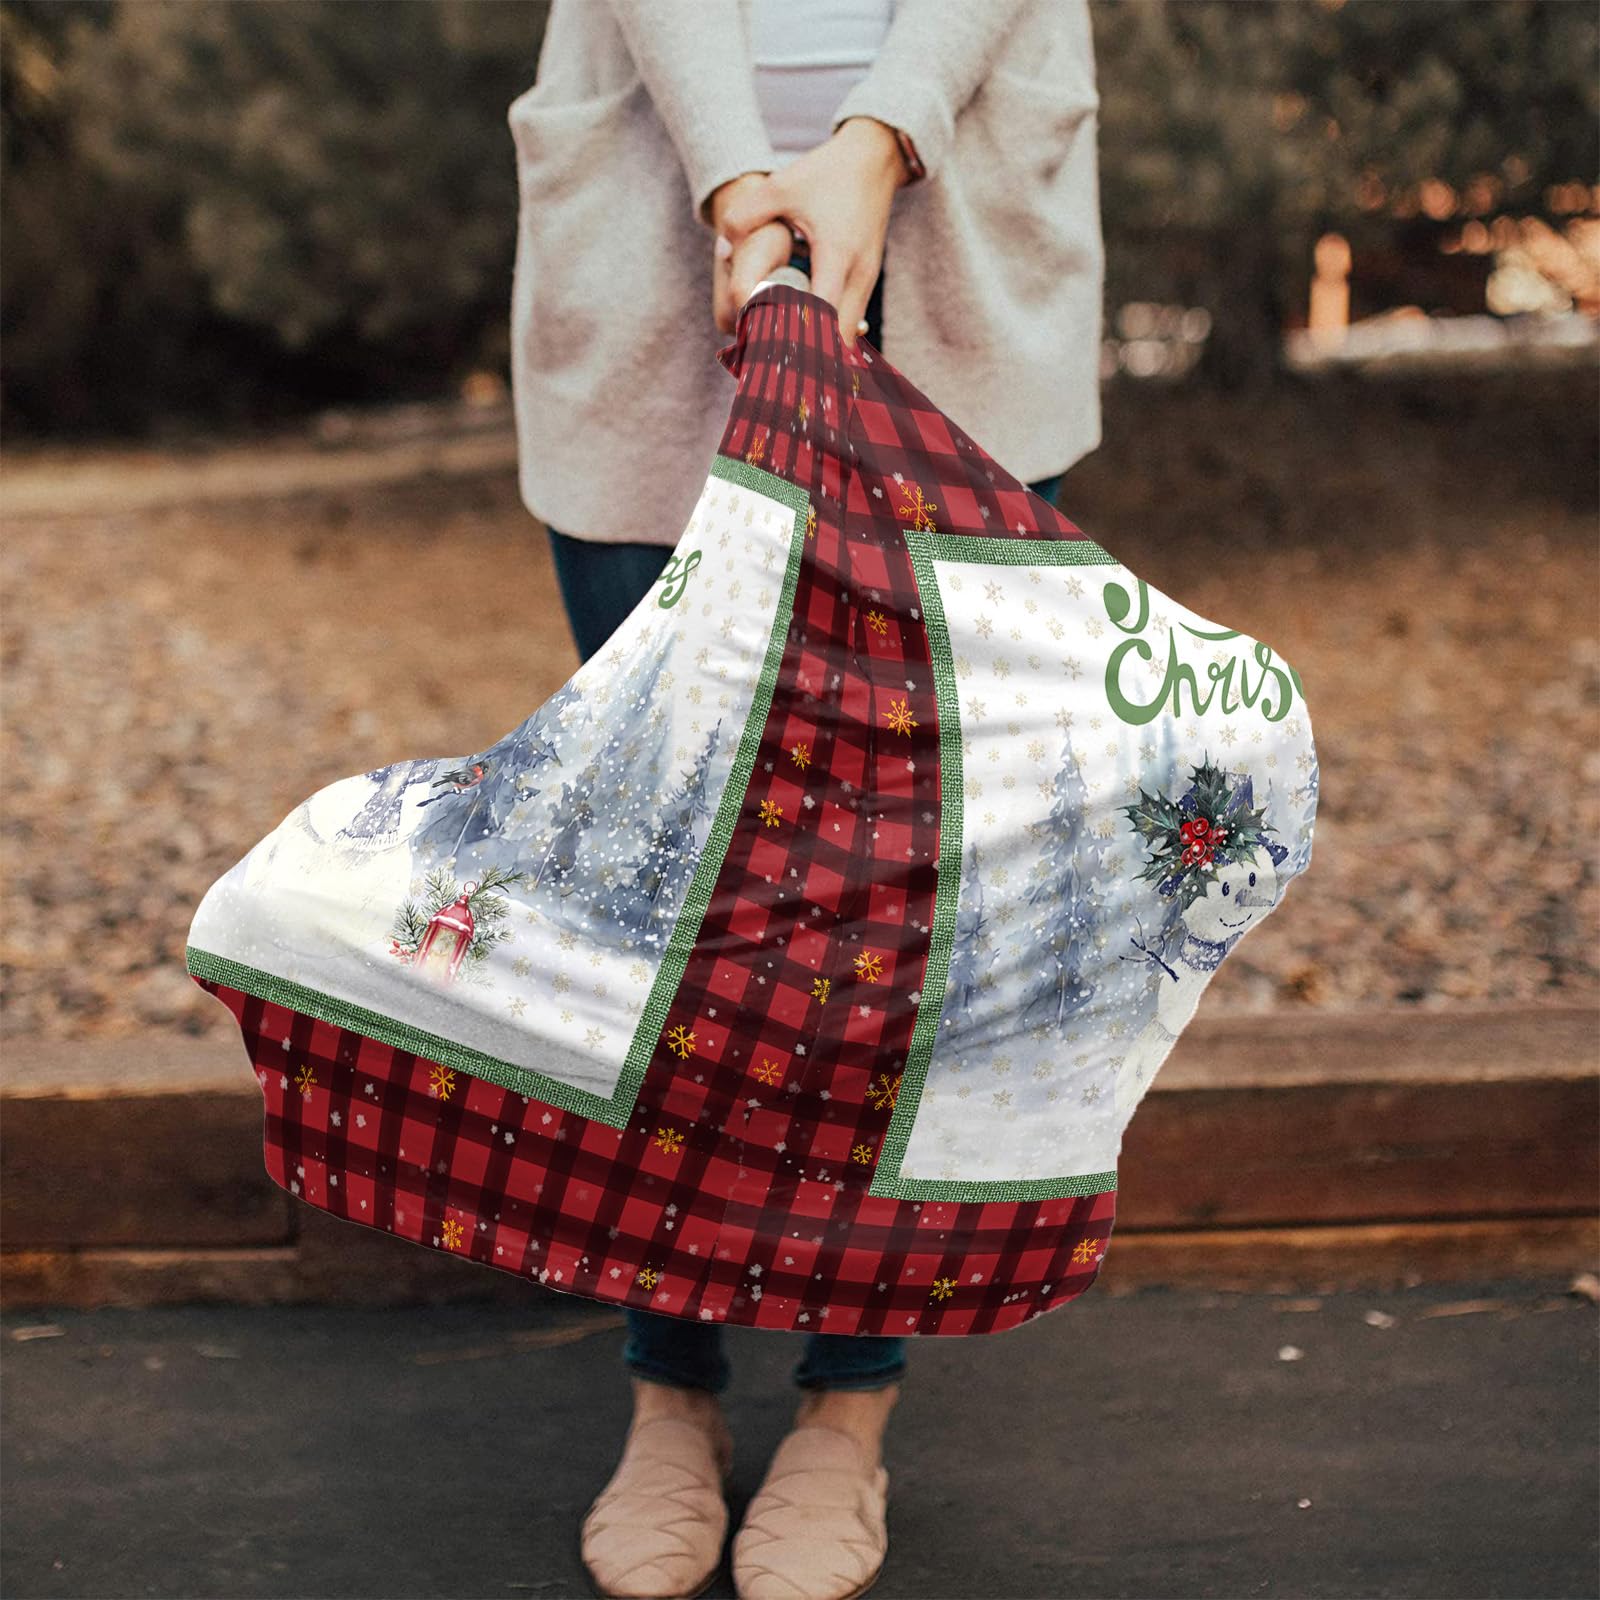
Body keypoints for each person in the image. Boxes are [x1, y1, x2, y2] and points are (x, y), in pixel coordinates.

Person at [506, 3, 1103, 1595]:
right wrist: (733, 179)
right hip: (655, 223)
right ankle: (670, 1386)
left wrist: (876, 137)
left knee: (895, 887)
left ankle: (849, 1406)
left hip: (959, 226)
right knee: (662, 876)